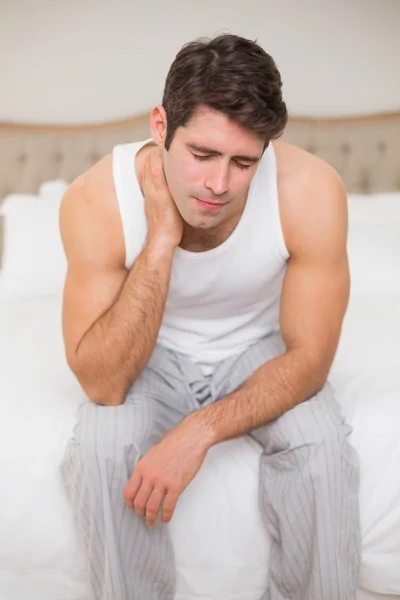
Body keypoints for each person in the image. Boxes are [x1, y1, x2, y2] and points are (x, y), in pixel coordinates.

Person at [59, 33, 361, 600]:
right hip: (150, 355)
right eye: (201, 155)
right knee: (102, 443)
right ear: (160, 127)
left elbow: (311, 359)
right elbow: (102, 382)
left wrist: (197, 432)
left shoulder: (313, 190)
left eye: (243, 162)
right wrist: (161, 239)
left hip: (257, 345)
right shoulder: (96, 198)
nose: (218, 185)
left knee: (320, 442)